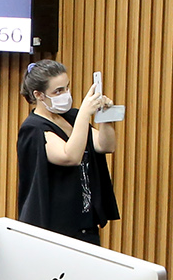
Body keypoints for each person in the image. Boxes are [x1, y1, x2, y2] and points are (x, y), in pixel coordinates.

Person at [16, 59, 118, 244]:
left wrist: (104, 117)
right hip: (54, 229)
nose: (65, 94)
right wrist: (85, 114)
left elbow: (105, 146)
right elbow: (70, 156)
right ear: (38, 95)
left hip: (85, 223)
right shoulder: (33, 128)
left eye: (66, 88)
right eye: (58, 91)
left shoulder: (72, 118)